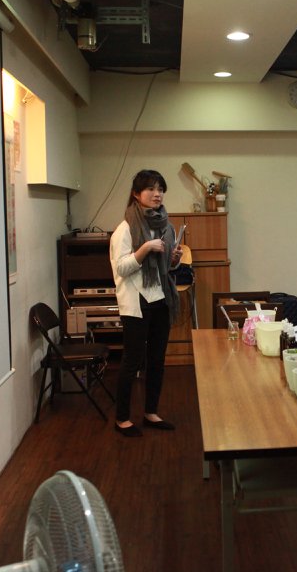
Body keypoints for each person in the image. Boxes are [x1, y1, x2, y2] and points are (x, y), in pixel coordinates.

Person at [109, 169, 183, 437]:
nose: (157, 194)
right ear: (136, 194)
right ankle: (122, 418)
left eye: (160, 189)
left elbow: (167, 269)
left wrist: (173, 259)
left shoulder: (166, 226)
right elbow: (121, 268)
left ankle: (151, 412)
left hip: (160, 299)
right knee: (132, 361)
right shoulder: (125, 229)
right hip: (136, 302)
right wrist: (145, 249)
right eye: (150, 189)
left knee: (157, 360)